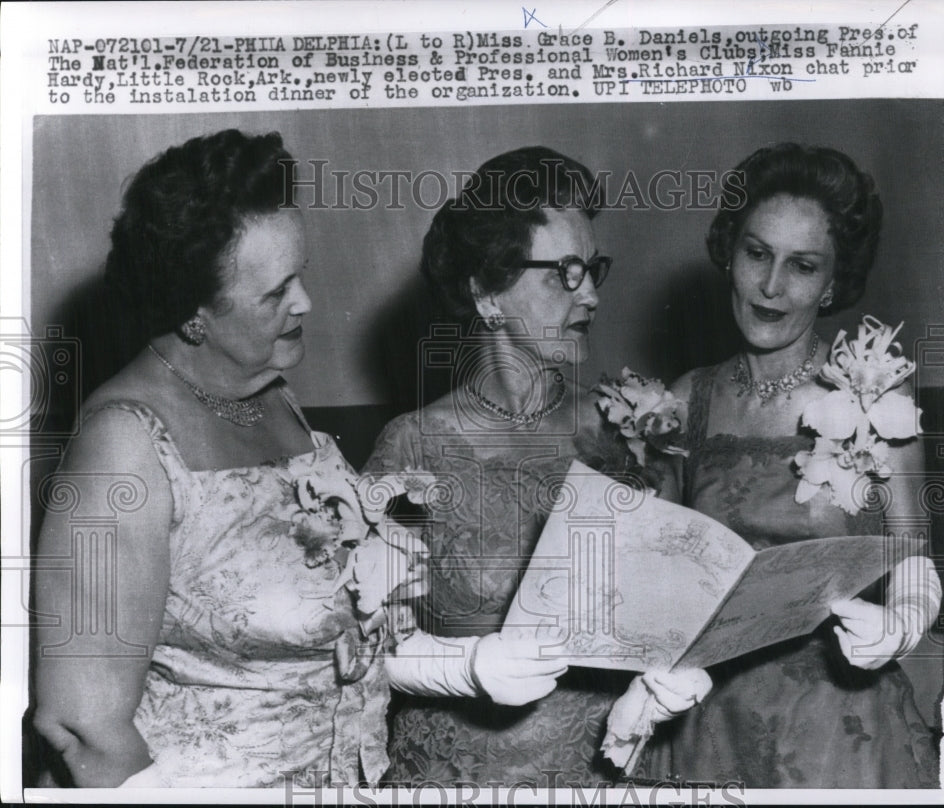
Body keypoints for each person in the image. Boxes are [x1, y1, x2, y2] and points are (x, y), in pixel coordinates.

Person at [30, 130, 579, 788]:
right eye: (275, 293)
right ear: (193, 314)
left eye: (302, 274)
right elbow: (80, 724)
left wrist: (467, 666)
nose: (306, 302)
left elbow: (334, 633)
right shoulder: (123, 445)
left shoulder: (270, 396)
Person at [363, 146, 711, 788]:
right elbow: (365, 645)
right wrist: (464, 669)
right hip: (459, 780)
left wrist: (675, 671)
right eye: (564, 274)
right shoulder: (414, 446)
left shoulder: (623, 428)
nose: (593, 296)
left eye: (593, 270)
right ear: (486, 291)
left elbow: (676, 605)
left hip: (605, 775)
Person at [634, 143, 942, 788]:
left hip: (840, 733)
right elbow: (654, 577)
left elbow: (913, 557)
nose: (772, 286)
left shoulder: (875, 395)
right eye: (757, 254)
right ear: (730, 254)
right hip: (704, 722)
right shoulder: (683, 401)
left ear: (832, 283)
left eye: (802, 266)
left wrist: (903, 621)